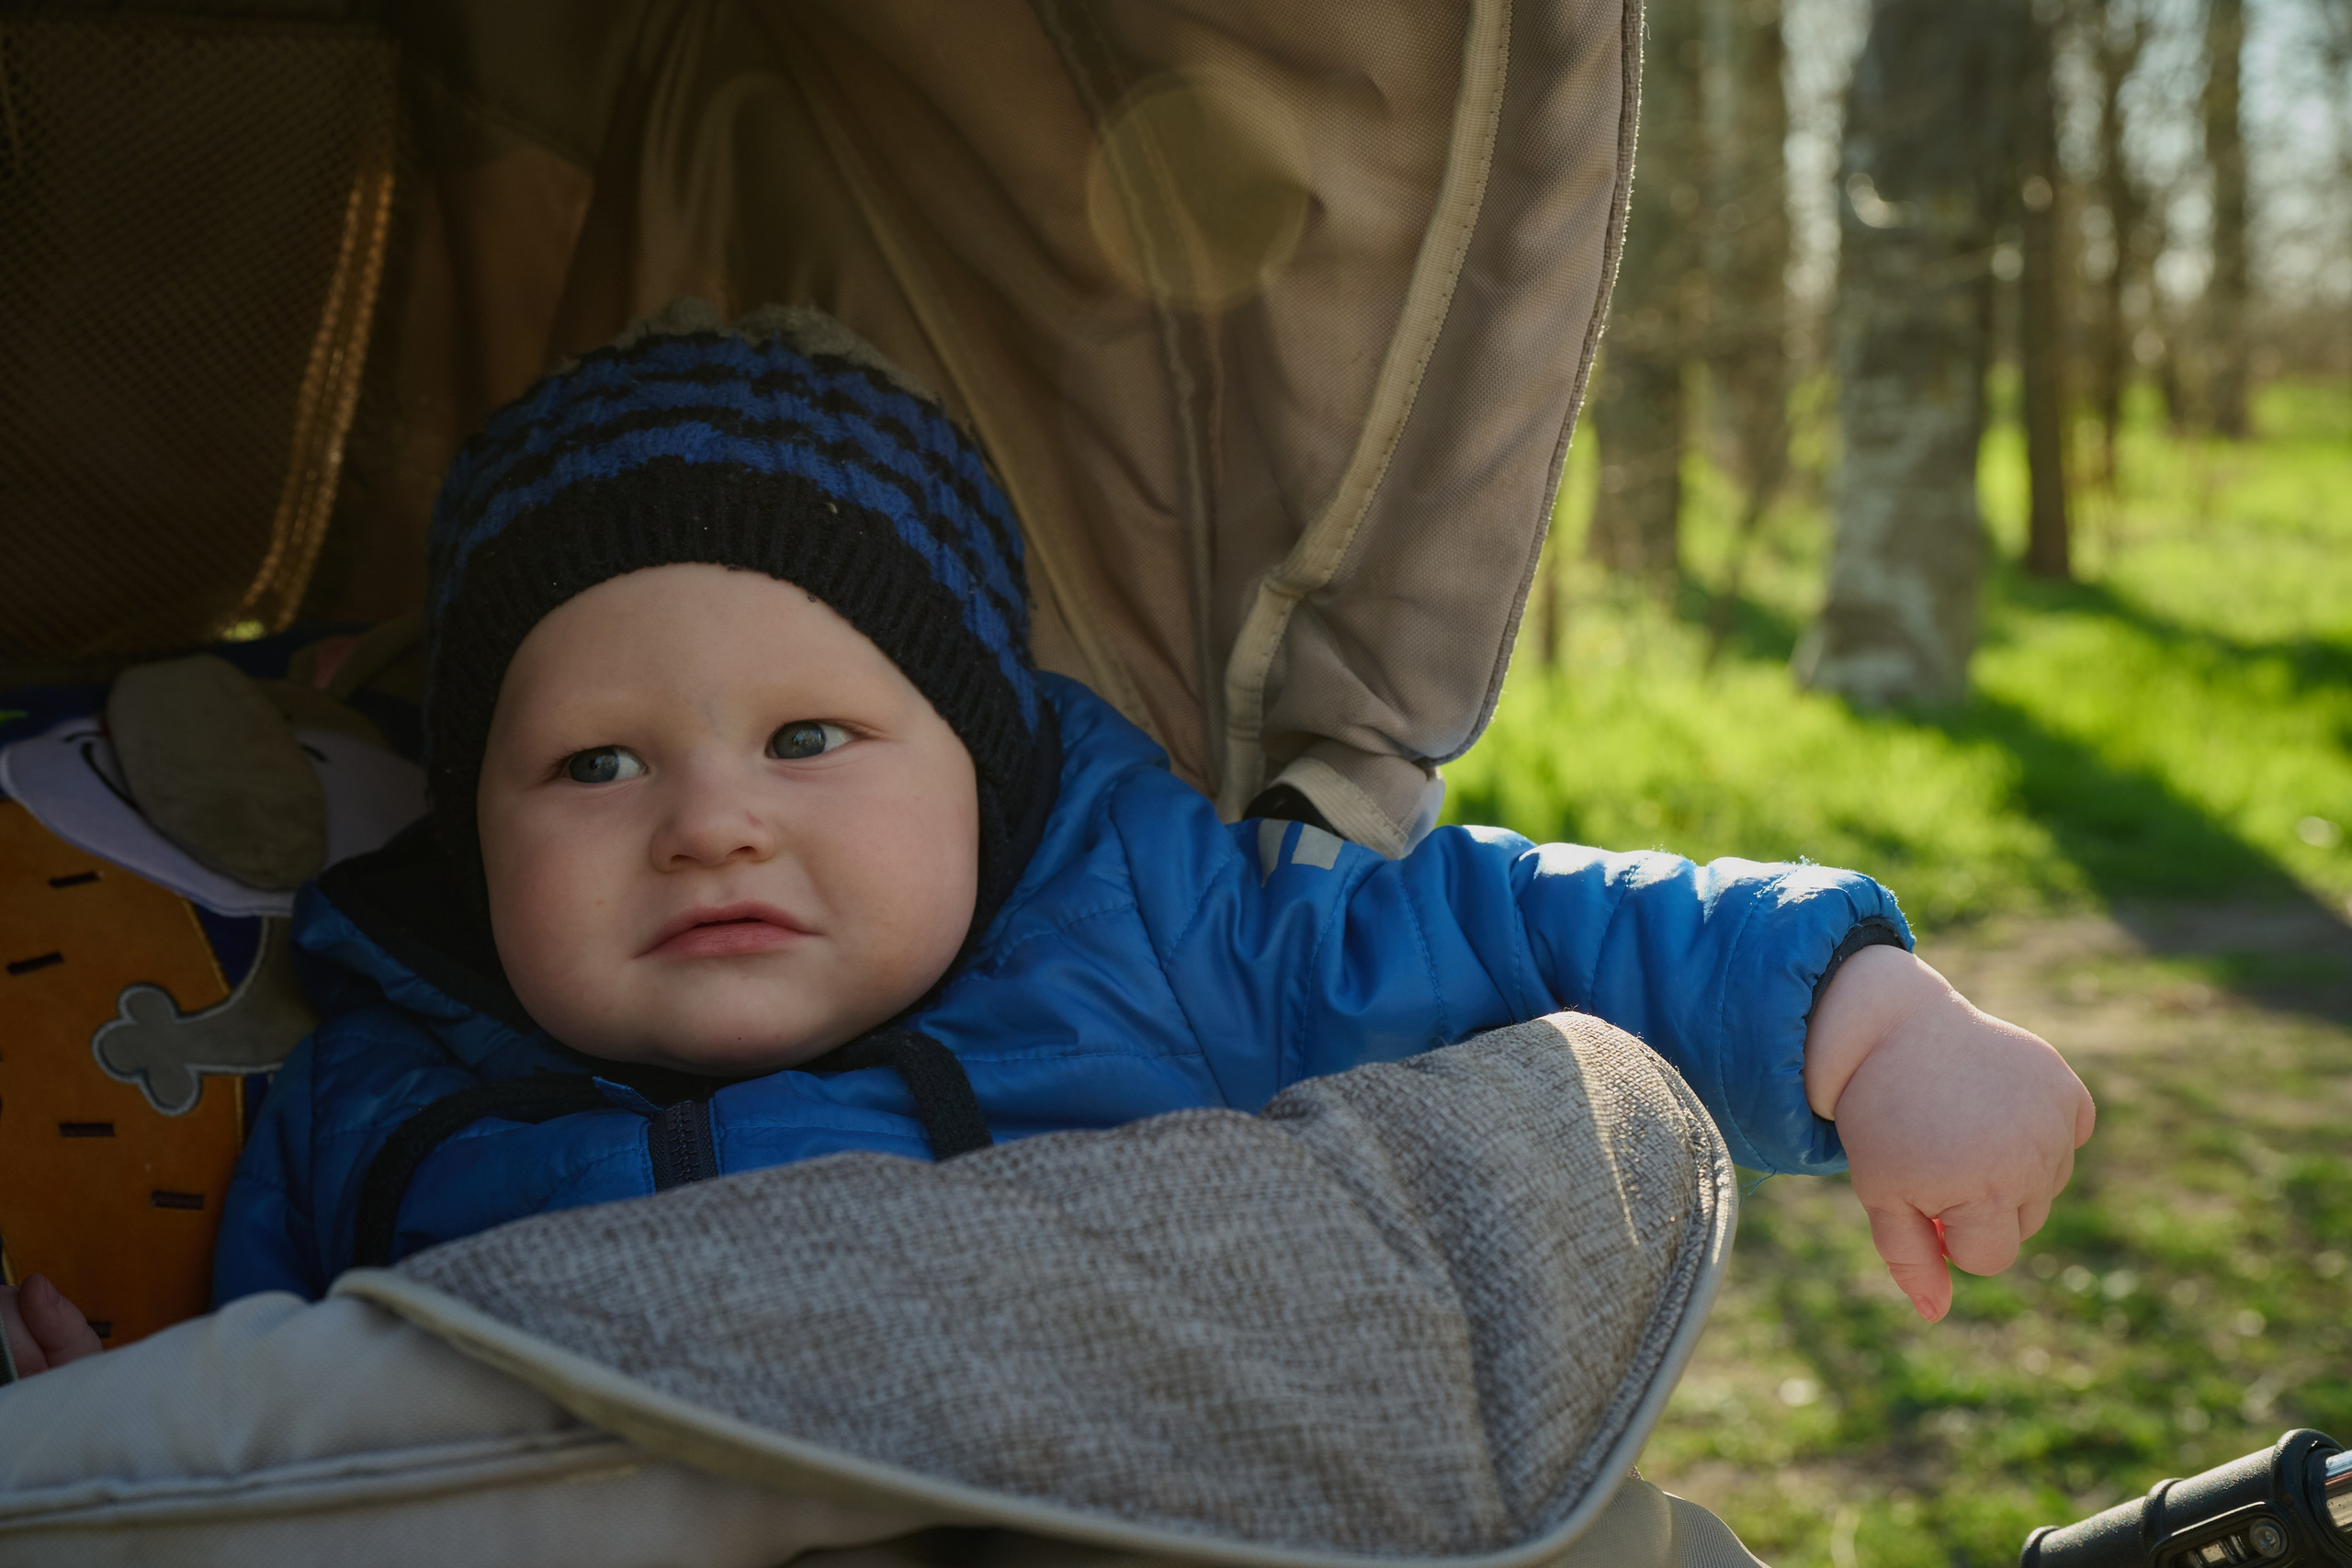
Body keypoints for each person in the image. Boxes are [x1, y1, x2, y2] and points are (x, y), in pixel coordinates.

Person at [2, 301, 2096, 1381]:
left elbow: (1541, 920)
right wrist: (137, 1427)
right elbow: (292, 1410)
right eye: (593, 767)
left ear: (980, 770)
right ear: (472, 833)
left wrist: (1867, 1022)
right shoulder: (374, 1067)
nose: (711, 810)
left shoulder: (1168, 927)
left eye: (811, 733)